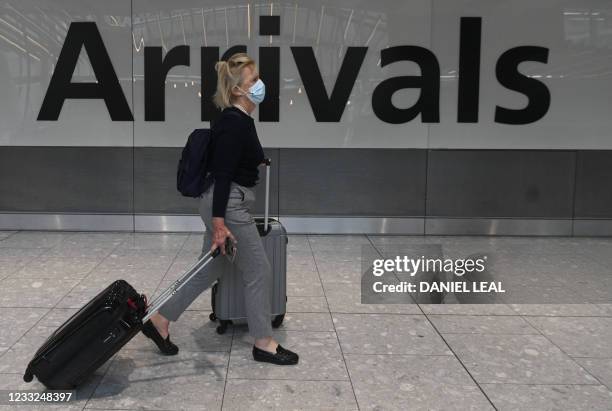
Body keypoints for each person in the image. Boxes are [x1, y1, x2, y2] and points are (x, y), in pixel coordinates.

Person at [141, 52, 299, 366]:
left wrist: (254, 163)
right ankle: (264, 342)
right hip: (227, 205)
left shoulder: (238, 120)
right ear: (239, 90)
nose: (259, 84)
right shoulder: (233, 123)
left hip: (222, 201)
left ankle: (160, 320)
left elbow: (230, 163)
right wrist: (219, 223)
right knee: (258, 270)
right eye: (253, 80)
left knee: (209, 268)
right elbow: (223, 173)